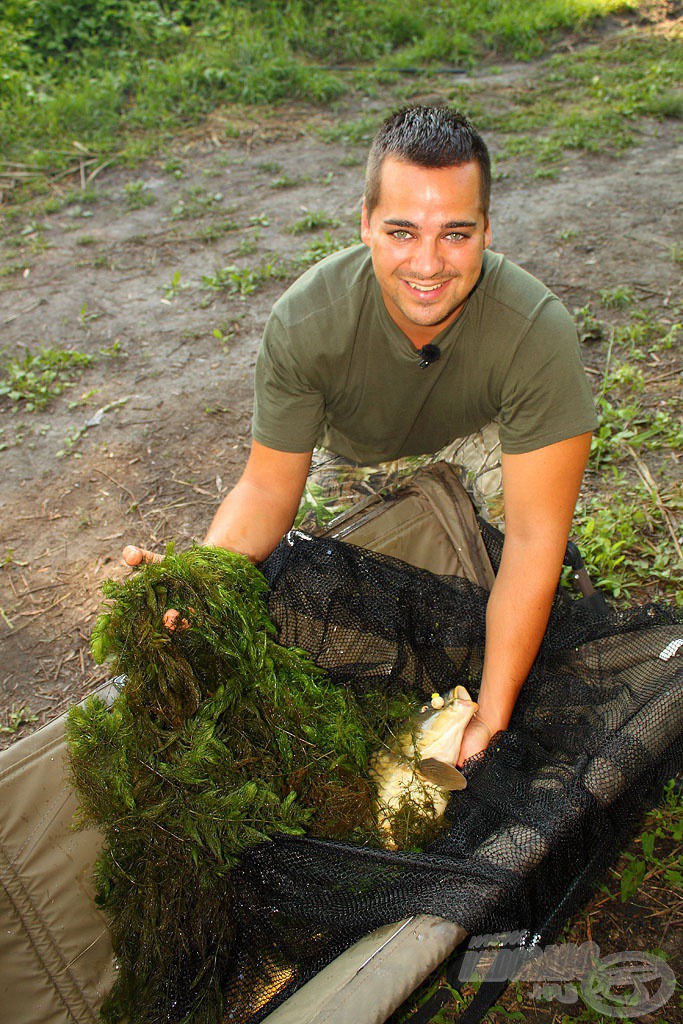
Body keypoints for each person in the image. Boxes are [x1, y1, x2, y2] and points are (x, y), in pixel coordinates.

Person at [125, 106, 597, 766]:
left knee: (519, 562)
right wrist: (202, 580)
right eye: (401, 231)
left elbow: (531, 539)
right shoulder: (307, 320)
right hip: (357, 457)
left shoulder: (535, 330)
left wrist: (487, 719)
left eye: (455, 235)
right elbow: (265, 484)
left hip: (477, 439)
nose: (427, 264)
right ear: (365, 225)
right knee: (319, 574)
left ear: (486, 231)